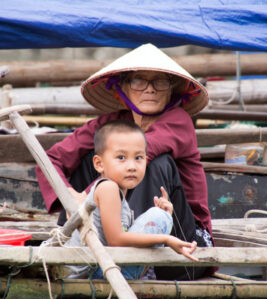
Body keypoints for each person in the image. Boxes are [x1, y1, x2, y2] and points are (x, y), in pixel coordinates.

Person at [36, 43, 215, 280]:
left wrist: (87, 202)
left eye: (159, 82)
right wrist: (69, 197)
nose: (149, 89)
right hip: (120, 238)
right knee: (94, 156)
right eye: (139, 81)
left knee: (144, 161)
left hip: (186, 246)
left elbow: (144, 154)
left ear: (171, 90)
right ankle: (75, 247)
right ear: (122, 88)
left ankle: (128, 259)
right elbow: (51, 159)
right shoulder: (110, 124)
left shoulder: (178, 120)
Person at [66, 119, 198, 280]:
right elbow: (116, 239)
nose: (132, 166)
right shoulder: (108, 188)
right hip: (94, 271)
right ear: (99, 164)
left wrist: (165, 216)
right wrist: (166, 238)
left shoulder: (117, 191)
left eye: (138, 158)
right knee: (158, 217)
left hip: (102, 265)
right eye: (121, 157)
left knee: (160, 215)